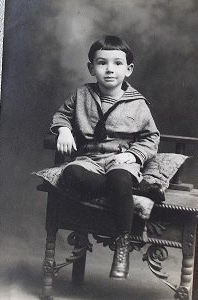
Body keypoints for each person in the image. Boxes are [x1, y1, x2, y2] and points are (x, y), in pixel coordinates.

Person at [50, 35, 164, 280]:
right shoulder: (81, 95)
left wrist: (134, 155)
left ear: (129, 69)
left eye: (118, 63)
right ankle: (130, 194)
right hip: (89, 158)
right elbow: (62, 115)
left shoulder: (138, 103)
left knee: (120, 178)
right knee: (70, 175)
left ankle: (121, 244)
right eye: (102, 63)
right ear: (91, 68)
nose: (110, 69)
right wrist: (64, 129)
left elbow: (150, 137)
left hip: (120, 159)